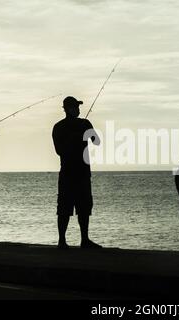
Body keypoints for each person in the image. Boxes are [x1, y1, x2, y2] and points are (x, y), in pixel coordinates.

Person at [52, 96, 102, 249]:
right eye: (75, 106)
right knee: (64, 209)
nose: (78, 109)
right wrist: (74, 138)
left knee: (84, 208)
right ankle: (62, 241)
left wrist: (88, 131)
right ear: (67, 109)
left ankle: (84, 239)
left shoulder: (84, 123)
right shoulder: (59, 127)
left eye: (78, 107)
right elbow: (59, 151)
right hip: (68, 172)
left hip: (83, 172)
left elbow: (96, 141)